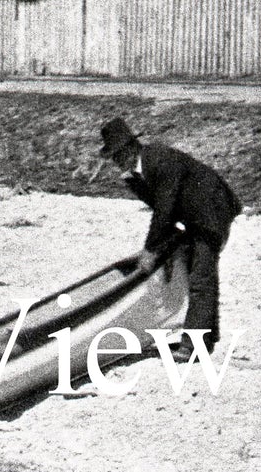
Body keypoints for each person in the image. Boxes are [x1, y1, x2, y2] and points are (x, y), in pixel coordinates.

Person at [99, 117, 242, 353]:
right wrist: (160, 246)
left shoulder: (160, 159)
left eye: (119, 154)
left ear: (132, 148)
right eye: (113, 157)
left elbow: (165, 210)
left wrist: (150, 249)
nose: (117, 161)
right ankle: (206, 336)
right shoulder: (135, 176)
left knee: (201, 276)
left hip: (212, 210)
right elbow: (163, 211)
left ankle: (194, 346)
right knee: (195, 270)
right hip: (192, 215)